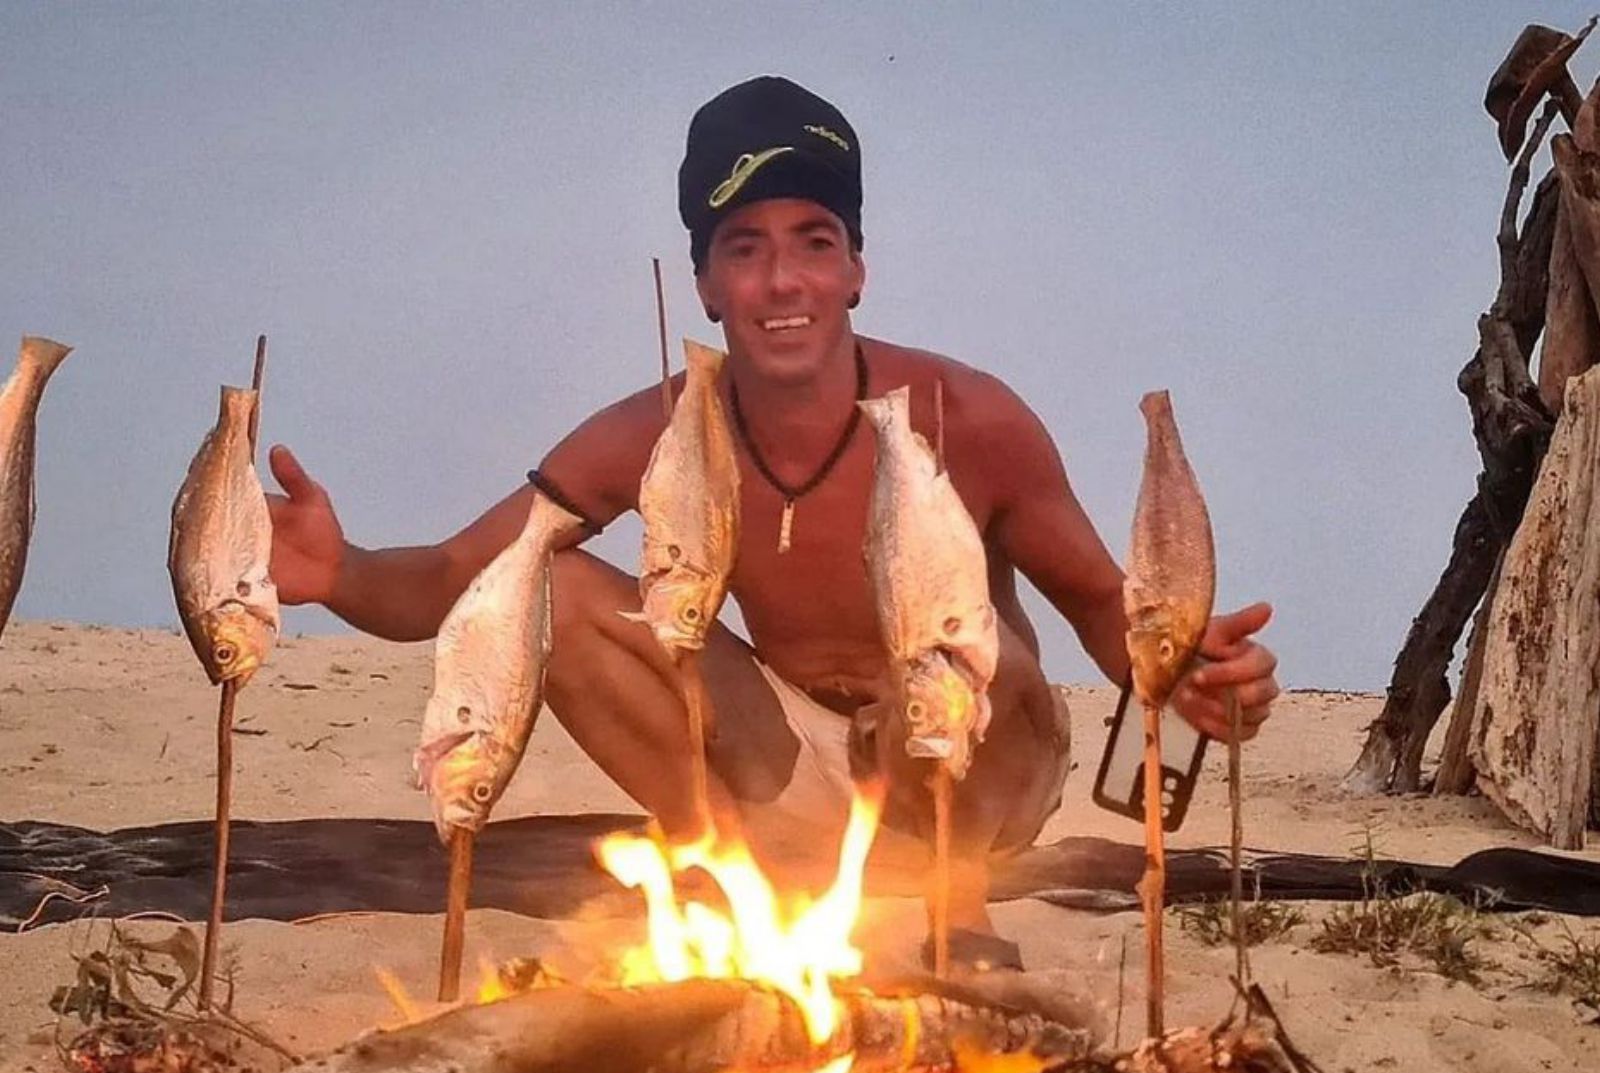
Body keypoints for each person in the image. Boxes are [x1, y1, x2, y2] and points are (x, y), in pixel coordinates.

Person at [266, 76, 1280, 972]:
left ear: (854, 269)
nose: (781, 281)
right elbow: (459, 573)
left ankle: (954, 915)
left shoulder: (969, 418)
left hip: (979, 780)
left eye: (812, 242)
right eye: (744, 249)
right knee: (558, 590)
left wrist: (1181, 668)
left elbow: (1104, 603)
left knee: (958, 635)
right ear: (706, 283)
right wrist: (339, 570)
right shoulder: (657, 433)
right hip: (781, 776)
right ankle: (733, 876)